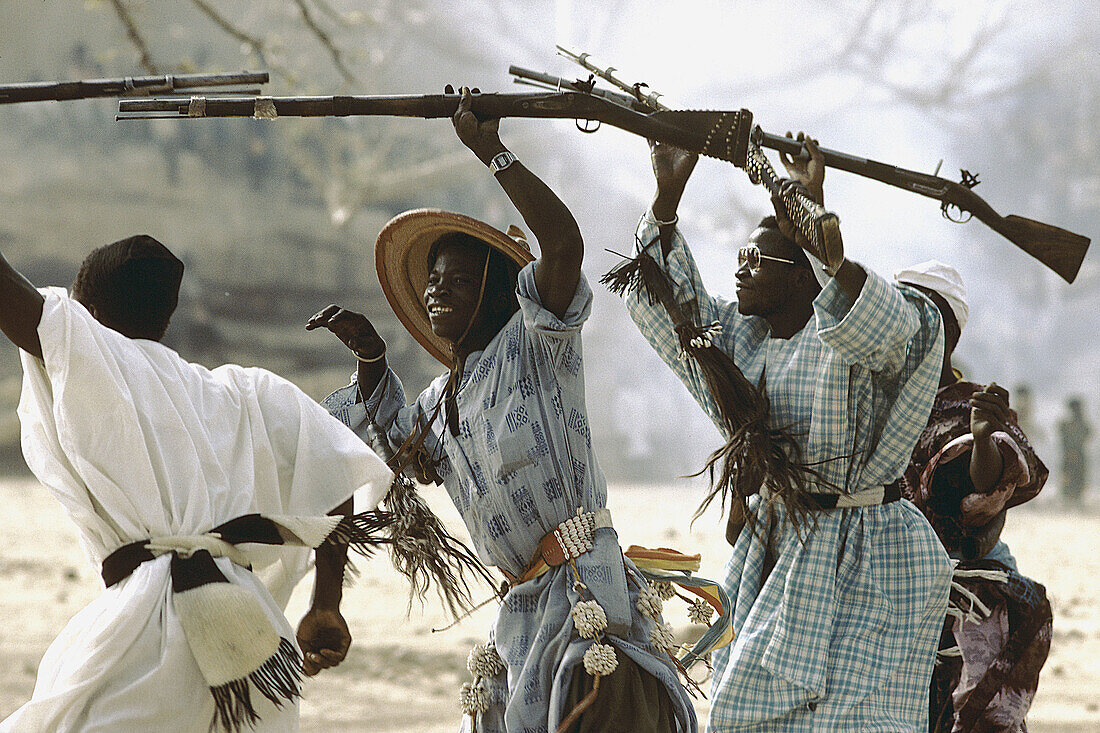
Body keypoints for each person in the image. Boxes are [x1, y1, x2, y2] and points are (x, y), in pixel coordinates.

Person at [309, 87, 697, 733]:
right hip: (519, 603)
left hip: (583, 592)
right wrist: (373, 359)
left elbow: (565, 247)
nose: (438, 290)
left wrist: (491, 151)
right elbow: (387, 458)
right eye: (434, 280)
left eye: (460, 280)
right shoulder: (436, 403)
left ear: (502, 293)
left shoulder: (536, 345)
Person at [611, 134, 952, 730]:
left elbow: (902, 329)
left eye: (756, 260)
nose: (739, 271)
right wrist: (667, 197)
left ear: (802, 277)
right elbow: (675, 309)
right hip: (782, 551)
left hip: (871, 555)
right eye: (738, 258)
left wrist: (829, 252)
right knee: (744, 715)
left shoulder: (855, 341)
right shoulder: (747, 348)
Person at [0, 234, 395, 732]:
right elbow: (338, 474)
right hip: (254, 648)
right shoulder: (246, 391)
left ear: (90, 315)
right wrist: (326, 602)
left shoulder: (98, 359)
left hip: (149, 636)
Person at [892, 261, 1051, 732]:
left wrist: (983, 439)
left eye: (917, 317)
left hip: (959, 583)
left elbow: (984, 481)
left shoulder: (968, 402)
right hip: (885, 578)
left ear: (946, 335)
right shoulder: (869, 396)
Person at [1058, 397, 1092, 505]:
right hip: (1070, 455)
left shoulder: (1080, 425)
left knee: (1078, 478)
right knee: (1069, 478)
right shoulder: (1066, 425)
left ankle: (1075, 500)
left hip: (1077, 456)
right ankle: (1070, 500)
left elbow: (1085, 437)